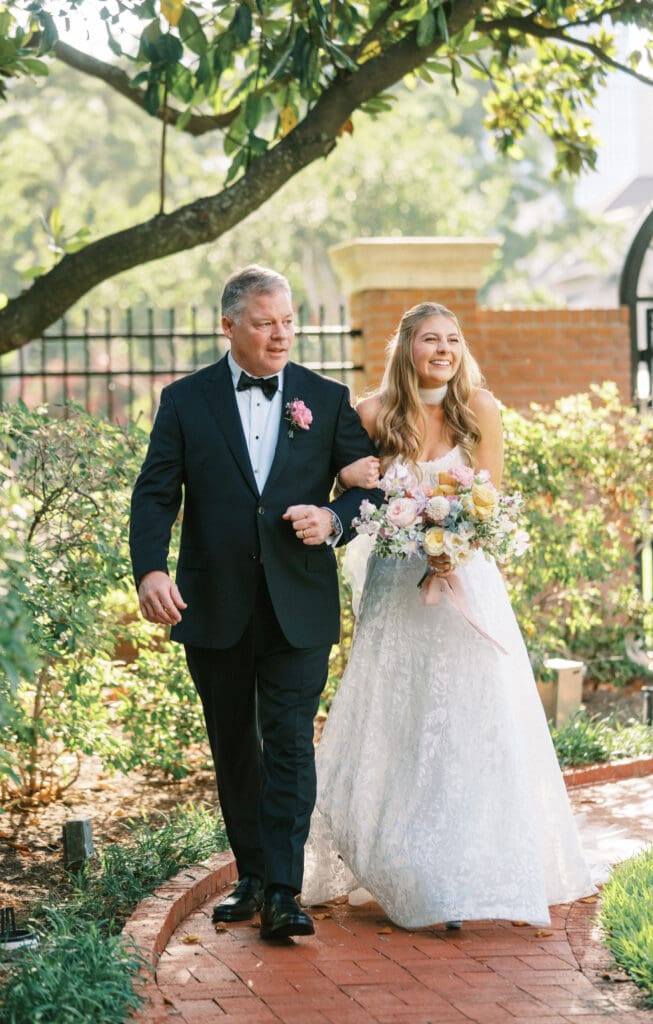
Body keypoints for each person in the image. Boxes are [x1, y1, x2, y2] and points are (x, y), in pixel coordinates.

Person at [301, 301, 596, 928]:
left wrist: (452, 548)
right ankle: (397, 859)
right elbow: (356, 497)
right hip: (394, 591)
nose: (444, 350)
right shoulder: (373, 414)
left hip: (465, 587)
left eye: (453, 340)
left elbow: (486, 502)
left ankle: (467, 867)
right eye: (431, 339)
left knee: (468, 719)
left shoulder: (480, 410)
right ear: (406, 347)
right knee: (398, 718)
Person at [129, 265, 381, 940]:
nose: (280, 335)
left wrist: (332, 520)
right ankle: (249, 872)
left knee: (291, 744)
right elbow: (156, 492)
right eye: (266, 322)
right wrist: (150, 569)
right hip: (213, 604)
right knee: (235, 744)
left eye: (288, 321)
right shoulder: (185, 401)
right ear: (229, 326)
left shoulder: (326, 400)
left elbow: (370, 491)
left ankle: (281, 890)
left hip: (298, 603)